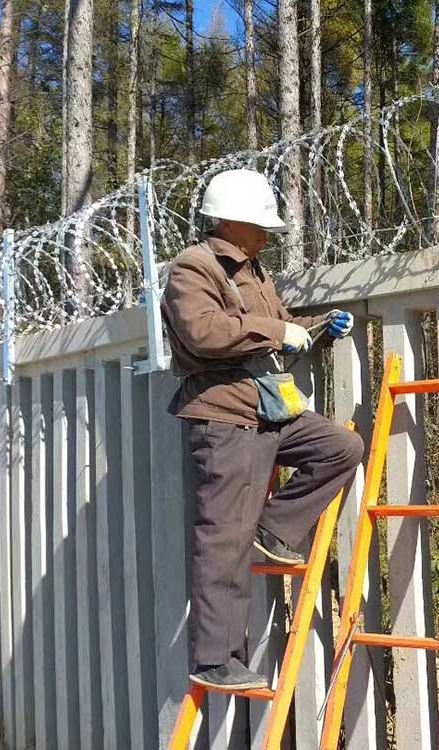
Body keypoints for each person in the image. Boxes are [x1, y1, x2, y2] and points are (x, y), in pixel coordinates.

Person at [161, 169, 364, 690]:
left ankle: (274, 529)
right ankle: (216, 659)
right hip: (224, 413)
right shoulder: (193, 267)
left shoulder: (255, 271)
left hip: (269, 406)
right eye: (260, 225)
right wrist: (281, 329)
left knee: (341, 446)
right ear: (230, 221)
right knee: (223, 536)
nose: (268, 235)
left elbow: (276, 334)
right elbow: (205, 333)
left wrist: (316, 329)